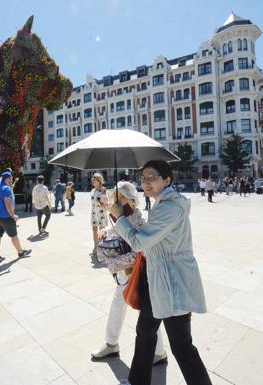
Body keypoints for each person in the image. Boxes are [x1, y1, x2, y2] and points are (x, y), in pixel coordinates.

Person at [109, 160, 211, 385]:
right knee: (145, 332)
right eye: (143, 177)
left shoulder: (169, 208)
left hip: (172, 284)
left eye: (152, 177)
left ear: (167, 180)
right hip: (156, 281)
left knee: (181, 345)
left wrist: (120, 218)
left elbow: (139, 242)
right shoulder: (161, 204)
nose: (146, 182)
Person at [92, 181, 167, 365]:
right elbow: (117, 229)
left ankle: (156, 351)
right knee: (127, 307)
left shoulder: (139, 219)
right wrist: (106, 230)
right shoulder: (121, 216)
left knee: (147, 312)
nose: (117, 202)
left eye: (121, 198)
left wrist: (115, 262)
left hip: (136, 272)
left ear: (132, 199)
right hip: (124, 274)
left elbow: (139, 247)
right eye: (116, 198)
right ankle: (114, 344)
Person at [0, 171, 32, 262]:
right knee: (14, 236)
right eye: (11, 178)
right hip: (5, 217)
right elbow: (7, 203)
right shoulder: (7, 189)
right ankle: (21, 252)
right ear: (7, 179)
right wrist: (13, 215)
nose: (12, 180)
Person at [90, 173, 108, 256]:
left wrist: (101, 201)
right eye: (92, 179)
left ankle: (102, 249)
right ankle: (95, 247)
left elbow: (105, 203)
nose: (92, 181)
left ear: (99, 181)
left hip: (101, 213)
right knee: (94, 230)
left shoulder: (103, 189)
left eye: (94, 180)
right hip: (94, 213)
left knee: (102, 231)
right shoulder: (92, 190)